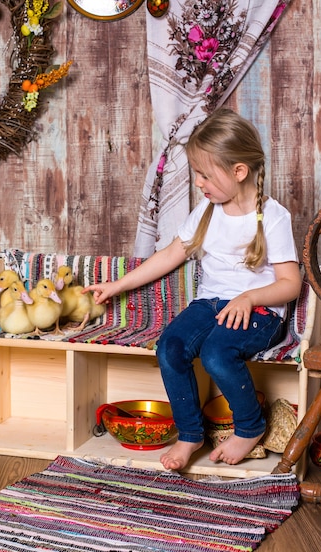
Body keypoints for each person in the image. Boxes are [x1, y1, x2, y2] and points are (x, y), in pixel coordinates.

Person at [83, 108, 302, 471]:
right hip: (210, 303)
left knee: (217, 352)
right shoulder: (207, 210)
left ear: (239, 171)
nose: (198, 183)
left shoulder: (272, 216)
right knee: (171, 346)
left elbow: (291, 284)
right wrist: (117, 285)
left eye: (204, 175)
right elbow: (171, 253)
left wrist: (248, 297)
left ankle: (250, 426)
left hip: (260, 311)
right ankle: (191, 434)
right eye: (196, 174)